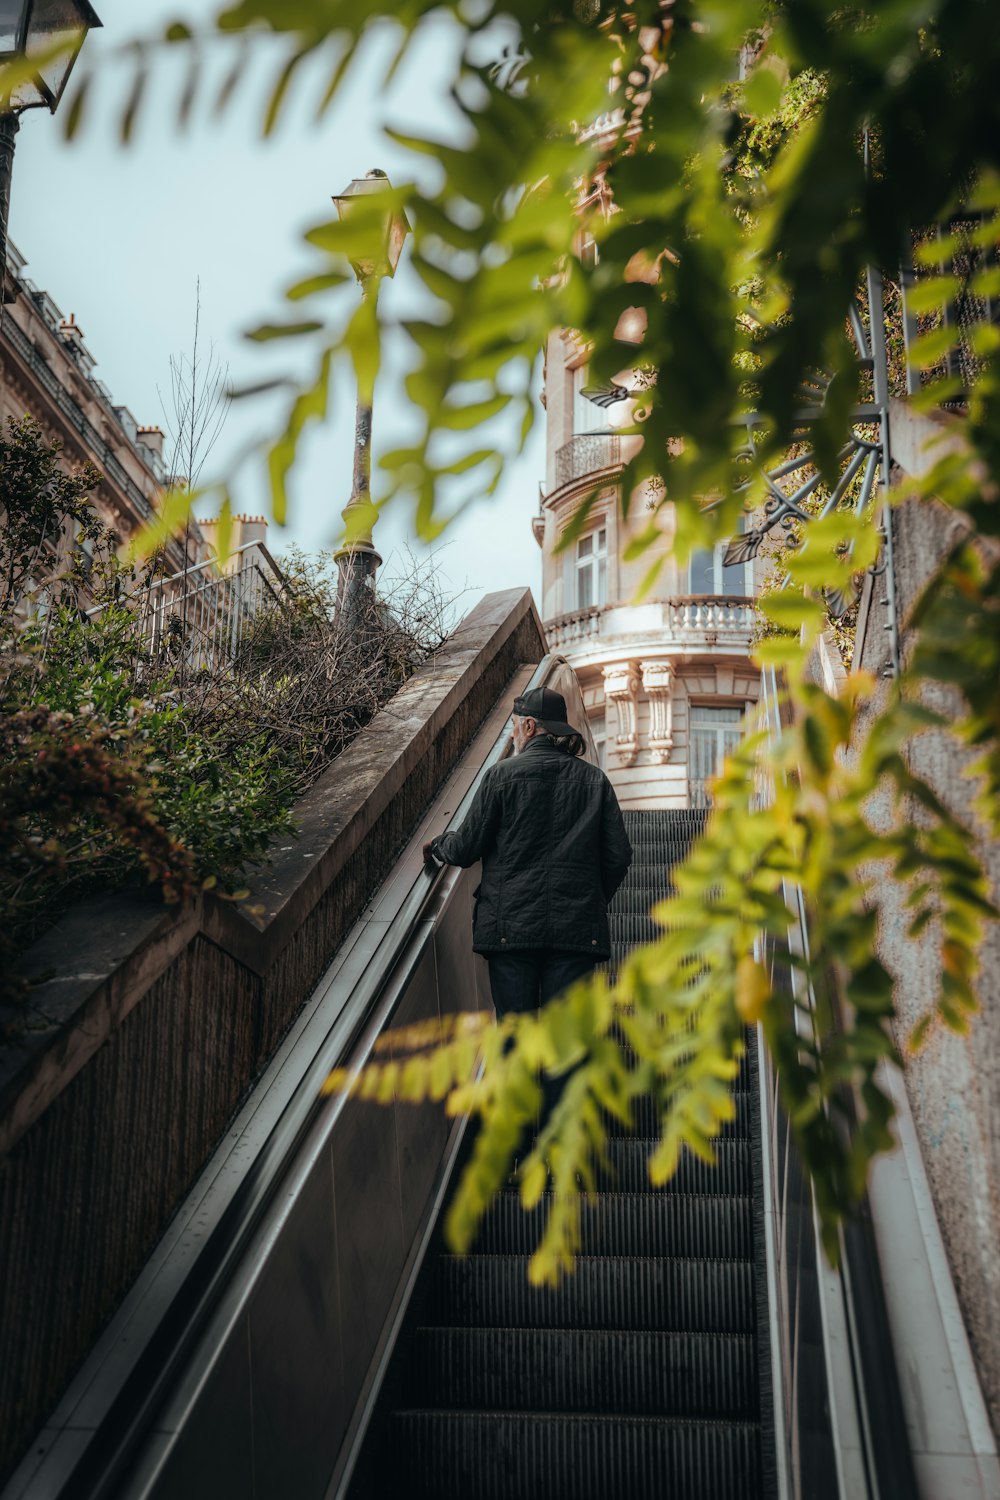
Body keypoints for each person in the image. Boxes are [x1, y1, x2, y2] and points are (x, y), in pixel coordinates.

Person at [422, 686, 632, 1027]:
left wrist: (439, 844)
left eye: (516, 726)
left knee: (514, 1037)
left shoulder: (501, 776)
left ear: (530, 726)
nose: (514, 734)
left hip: (511, 927)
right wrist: (588, 899)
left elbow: (466, 848)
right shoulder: (595, 781)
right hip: (574, 930)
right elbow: (618, 856)